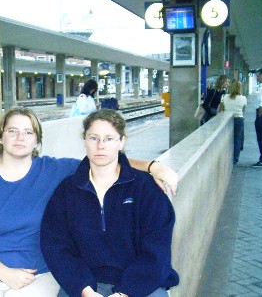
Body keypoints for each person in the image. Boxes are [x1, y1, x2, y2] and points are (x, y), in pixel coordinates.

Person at [0, 106, 178, 296]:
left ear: (37, 141)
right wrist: (5, 274)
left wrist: (152, 166)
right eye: (12, 131)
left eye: (28, 133)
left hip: (36, 273)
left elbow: (106, 160)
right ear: (1, 137)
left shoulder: (56, 171)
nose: (20, 138)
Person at [40, 109, 179, 297]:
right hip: (85, 285)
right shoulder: (67, 191)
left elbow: (157, 251)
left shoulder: (147, 190)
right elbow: (56, 246)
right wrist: (84, 289)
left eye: (109, 139)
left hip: (142, 285)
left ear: (121, 142)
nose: (101, 146)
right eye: (93, 138)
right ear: (84, 142)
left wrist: (125, 293)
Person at [218, 81, 247, 164]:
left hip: (227, 120)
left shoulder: (225, 97)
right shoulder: (243, 98)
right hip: (239, 119)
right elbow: (243, 110)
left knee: (226, 139)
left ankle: (226, 157)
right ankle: (235, 159)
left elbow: (221, 110)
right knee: (237, 139)